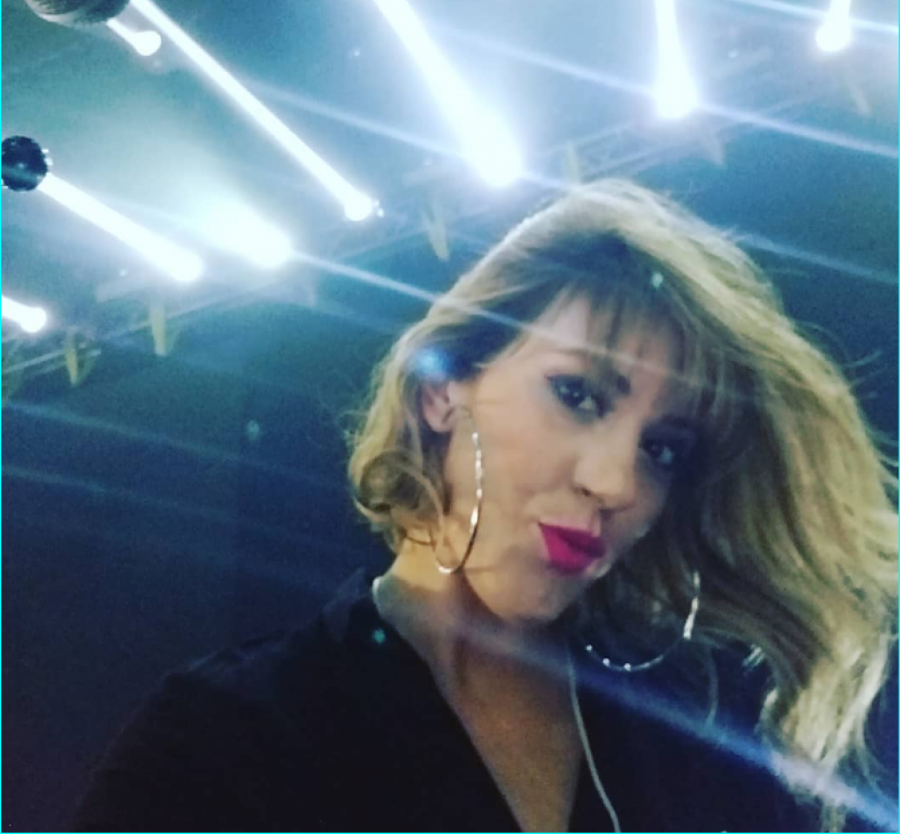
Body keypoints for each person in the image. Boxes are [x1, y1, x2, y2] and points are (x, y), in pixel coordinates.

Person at [73, 179, 897, 832]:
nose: (616, 483)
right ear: (443, 388)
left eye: (664, 448)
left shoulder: (690, 736)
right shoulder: (230, 738)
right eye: (577, 394)